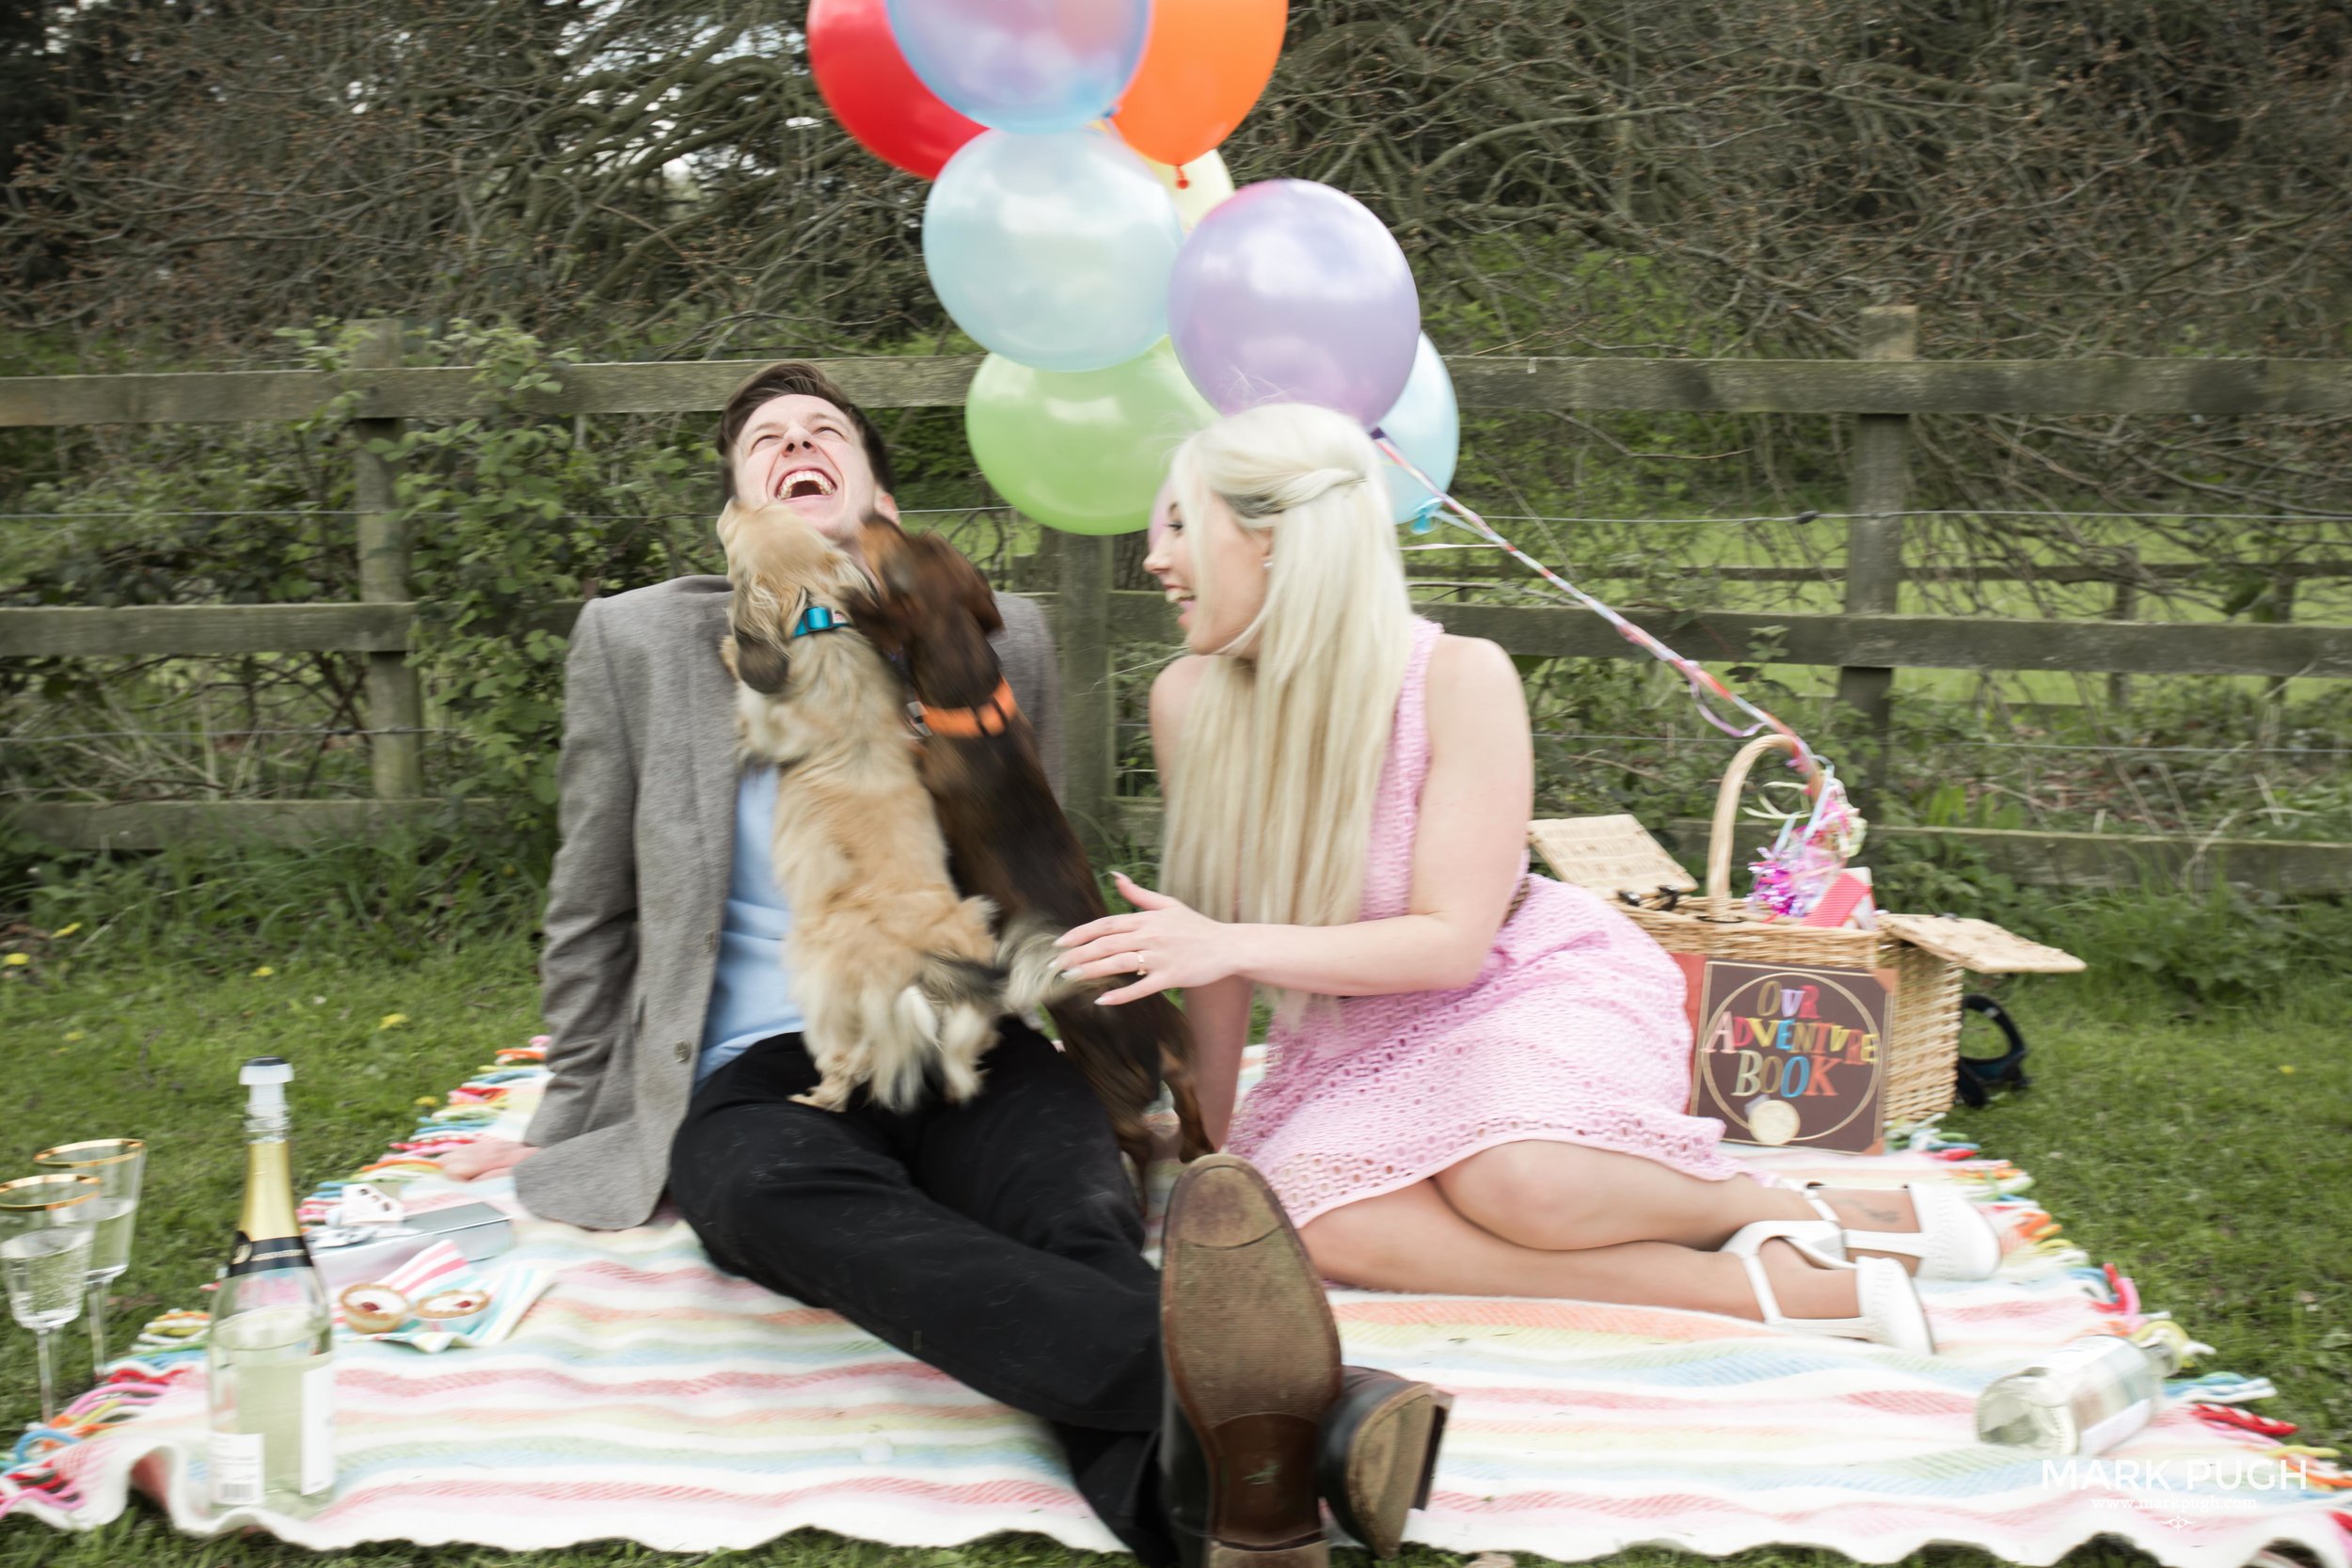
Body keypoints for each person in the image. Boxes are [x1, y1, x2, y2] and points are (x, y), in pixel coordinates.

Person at [438, 365, 1448, 1568]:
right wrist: (574, 1113)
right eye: (769, 437)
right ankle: (1313, 1415)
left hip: (971, 1038)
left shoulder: (991, 630)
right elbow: (591, 906)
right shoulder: (642, 639)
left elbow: (1036, 864)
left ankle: (1238, 1527)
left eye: (828, 431)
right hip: (764, 1071)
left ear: (874, 484)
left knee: (1072, 1225)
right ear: (736, 492)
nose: (799, 442)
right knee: (770, 1199)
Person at [1054, 403, 2005, 1352]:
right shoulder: (1188, 700)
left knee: (1518, 1181)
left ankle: (1792, 1206)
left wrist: (1227, 941)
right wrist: (1207, 1159)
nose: (1153, 557)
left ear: (1272, 539)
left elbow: (1448, 940)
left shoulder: (1458, 678)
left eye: (1180, 523)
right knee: (1313, 1214)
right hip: (1355, 1037)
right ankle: (1770, 1288)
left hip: (1518, 985)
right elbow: (1209, 962)